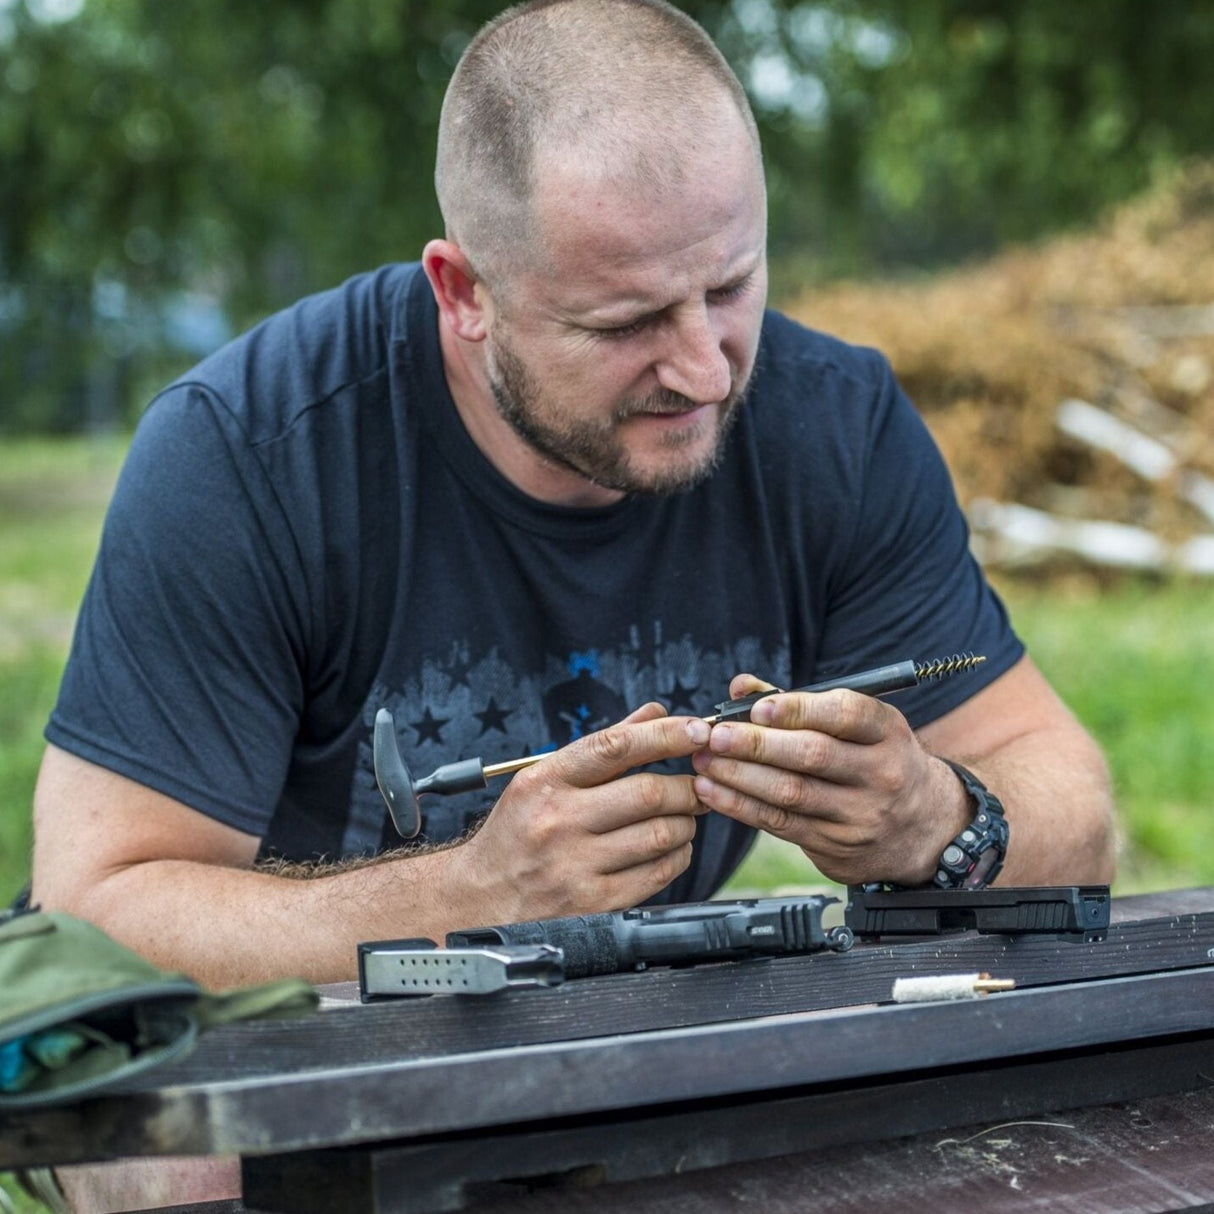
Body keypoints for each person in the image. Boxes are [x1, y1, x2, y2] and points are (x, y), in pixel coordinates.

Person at [32, 0, 1114, 996]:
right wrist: (471, 894)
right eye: (624, 323)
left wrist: (937, 819)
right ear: (463, 292)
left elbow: (1078, 814)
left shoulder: (832, 425)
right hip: (297, 1055)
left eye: (730, 285)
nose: (704, 371)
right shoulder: (249, 453)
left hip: (622, 1048)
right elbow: (91, 924)